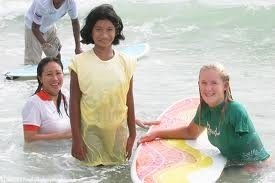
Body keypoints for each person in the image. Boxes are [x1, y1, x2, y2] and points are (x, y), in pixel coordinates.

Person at [139, 63, 270, 170]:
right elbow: (191, 132)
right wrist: (157, 134)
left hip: (257, 168)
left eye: (214, 83)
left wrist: (244, 173)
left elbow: (252, 148)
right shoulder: (205, 109)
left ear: (225, 85)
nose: (208, 88)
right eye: (204, 83)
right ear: (198, 84)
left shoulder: (236, 111)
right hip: (231, 164)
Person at [68, 4, 137, 166]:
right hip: (90, 133)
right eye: (98, 29)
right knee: (92, 175)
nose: (104, 35)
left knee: (117, 174)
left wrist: (132, 135)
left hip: (118, 133)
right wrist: (76, 139)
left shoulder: (127, 62)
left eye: (109, 29)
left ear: (116, 31)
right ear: (90, 31)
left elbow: (129, 100)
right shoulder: (79, 62)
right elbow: (74, 103)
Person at [22, 57, 71, 142]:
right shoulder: (34, 103)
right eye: (49, 74)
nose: (55, 78)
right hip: (46, 154)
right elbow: (29, 138)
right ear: (40, 78)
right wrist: (64, 135)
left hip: (68, 153)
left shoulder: (68, 97)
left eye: (58, 73)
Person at [24, 0, 82, 65]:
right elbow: (34, 27)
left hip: (49, 26)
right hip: (32, 27)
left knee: (56, 56)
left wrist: (78, 47)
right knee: (33, 63)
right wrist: (43, 42)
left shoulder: (71, 3)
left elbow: (75, 23)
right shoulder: (42, 3)